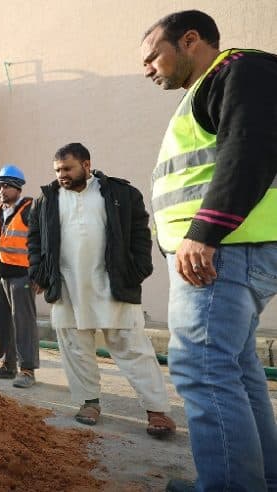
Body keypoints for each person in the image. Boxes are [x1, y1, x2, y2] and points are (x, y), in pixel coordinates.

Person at [141, 10, 277, 491]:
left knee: (202, 369)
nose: (148, 68)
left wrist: (204, 232)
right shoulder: (205, 91)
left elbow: (249, 148)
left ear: (191, 40)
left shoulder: (239, 70)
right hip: (226, 252)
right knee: (236, 370)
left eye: (153, 54)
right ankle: (259, 479)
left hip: (222, 252)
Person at [27, 143, 176, 438]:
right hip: (68, 286)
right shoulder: (46, 200)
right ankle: (89, 403)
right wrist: (39, 273)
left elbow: (140, 233)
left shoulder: (120, 194)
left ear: (86, 164)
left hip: (114, 284)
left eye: (67, 169)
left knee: (132, 347)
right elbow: (34, 240)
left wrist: (138, 270)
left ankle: (157, 410)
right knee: (74, 347)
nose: (62, 175)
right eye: (57, 170)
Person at [0, 165, 39, 389]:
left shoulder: (29, 209)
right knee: (2, 322)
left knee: (23, 323)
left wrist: (38, 274)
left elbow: (39, 244)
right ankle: (7, 366)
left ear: (18, 187)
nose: (1, 190)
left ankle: (27, 370)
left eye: (6, 186)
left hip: (22, 276)